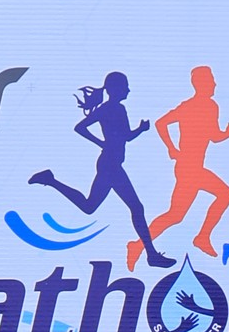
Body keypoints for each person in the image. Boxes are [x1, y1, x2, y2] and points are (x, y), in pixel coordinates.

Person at [29, 73, 171, 268]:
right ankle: (151, 255)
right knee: (136, 207)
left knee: (90, 206)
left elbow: (121, 136)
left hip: (110, 164)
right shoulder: (113, 109)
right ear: (116, 89)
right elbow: (84, 128)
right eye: (125, 87)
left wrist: (134, 131)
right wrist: (108, 140)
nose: (128, 90)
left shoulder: (113, 108)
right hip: (110, 166)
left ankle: (50, 180)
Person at [138, 66, 229, 269]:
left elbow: (213, 136)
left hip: (193, 168)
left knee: (177, 214)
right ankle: (140, 245)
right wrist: (171, 148)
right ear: (202, 84)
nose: (215, 84)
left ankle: (200, 237)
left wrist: (226, 134)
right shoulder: (190, 106)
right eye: (211, 80)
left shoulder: (211, 106)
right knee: (181, 213)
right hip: (188, 169)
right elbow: (161, 123)